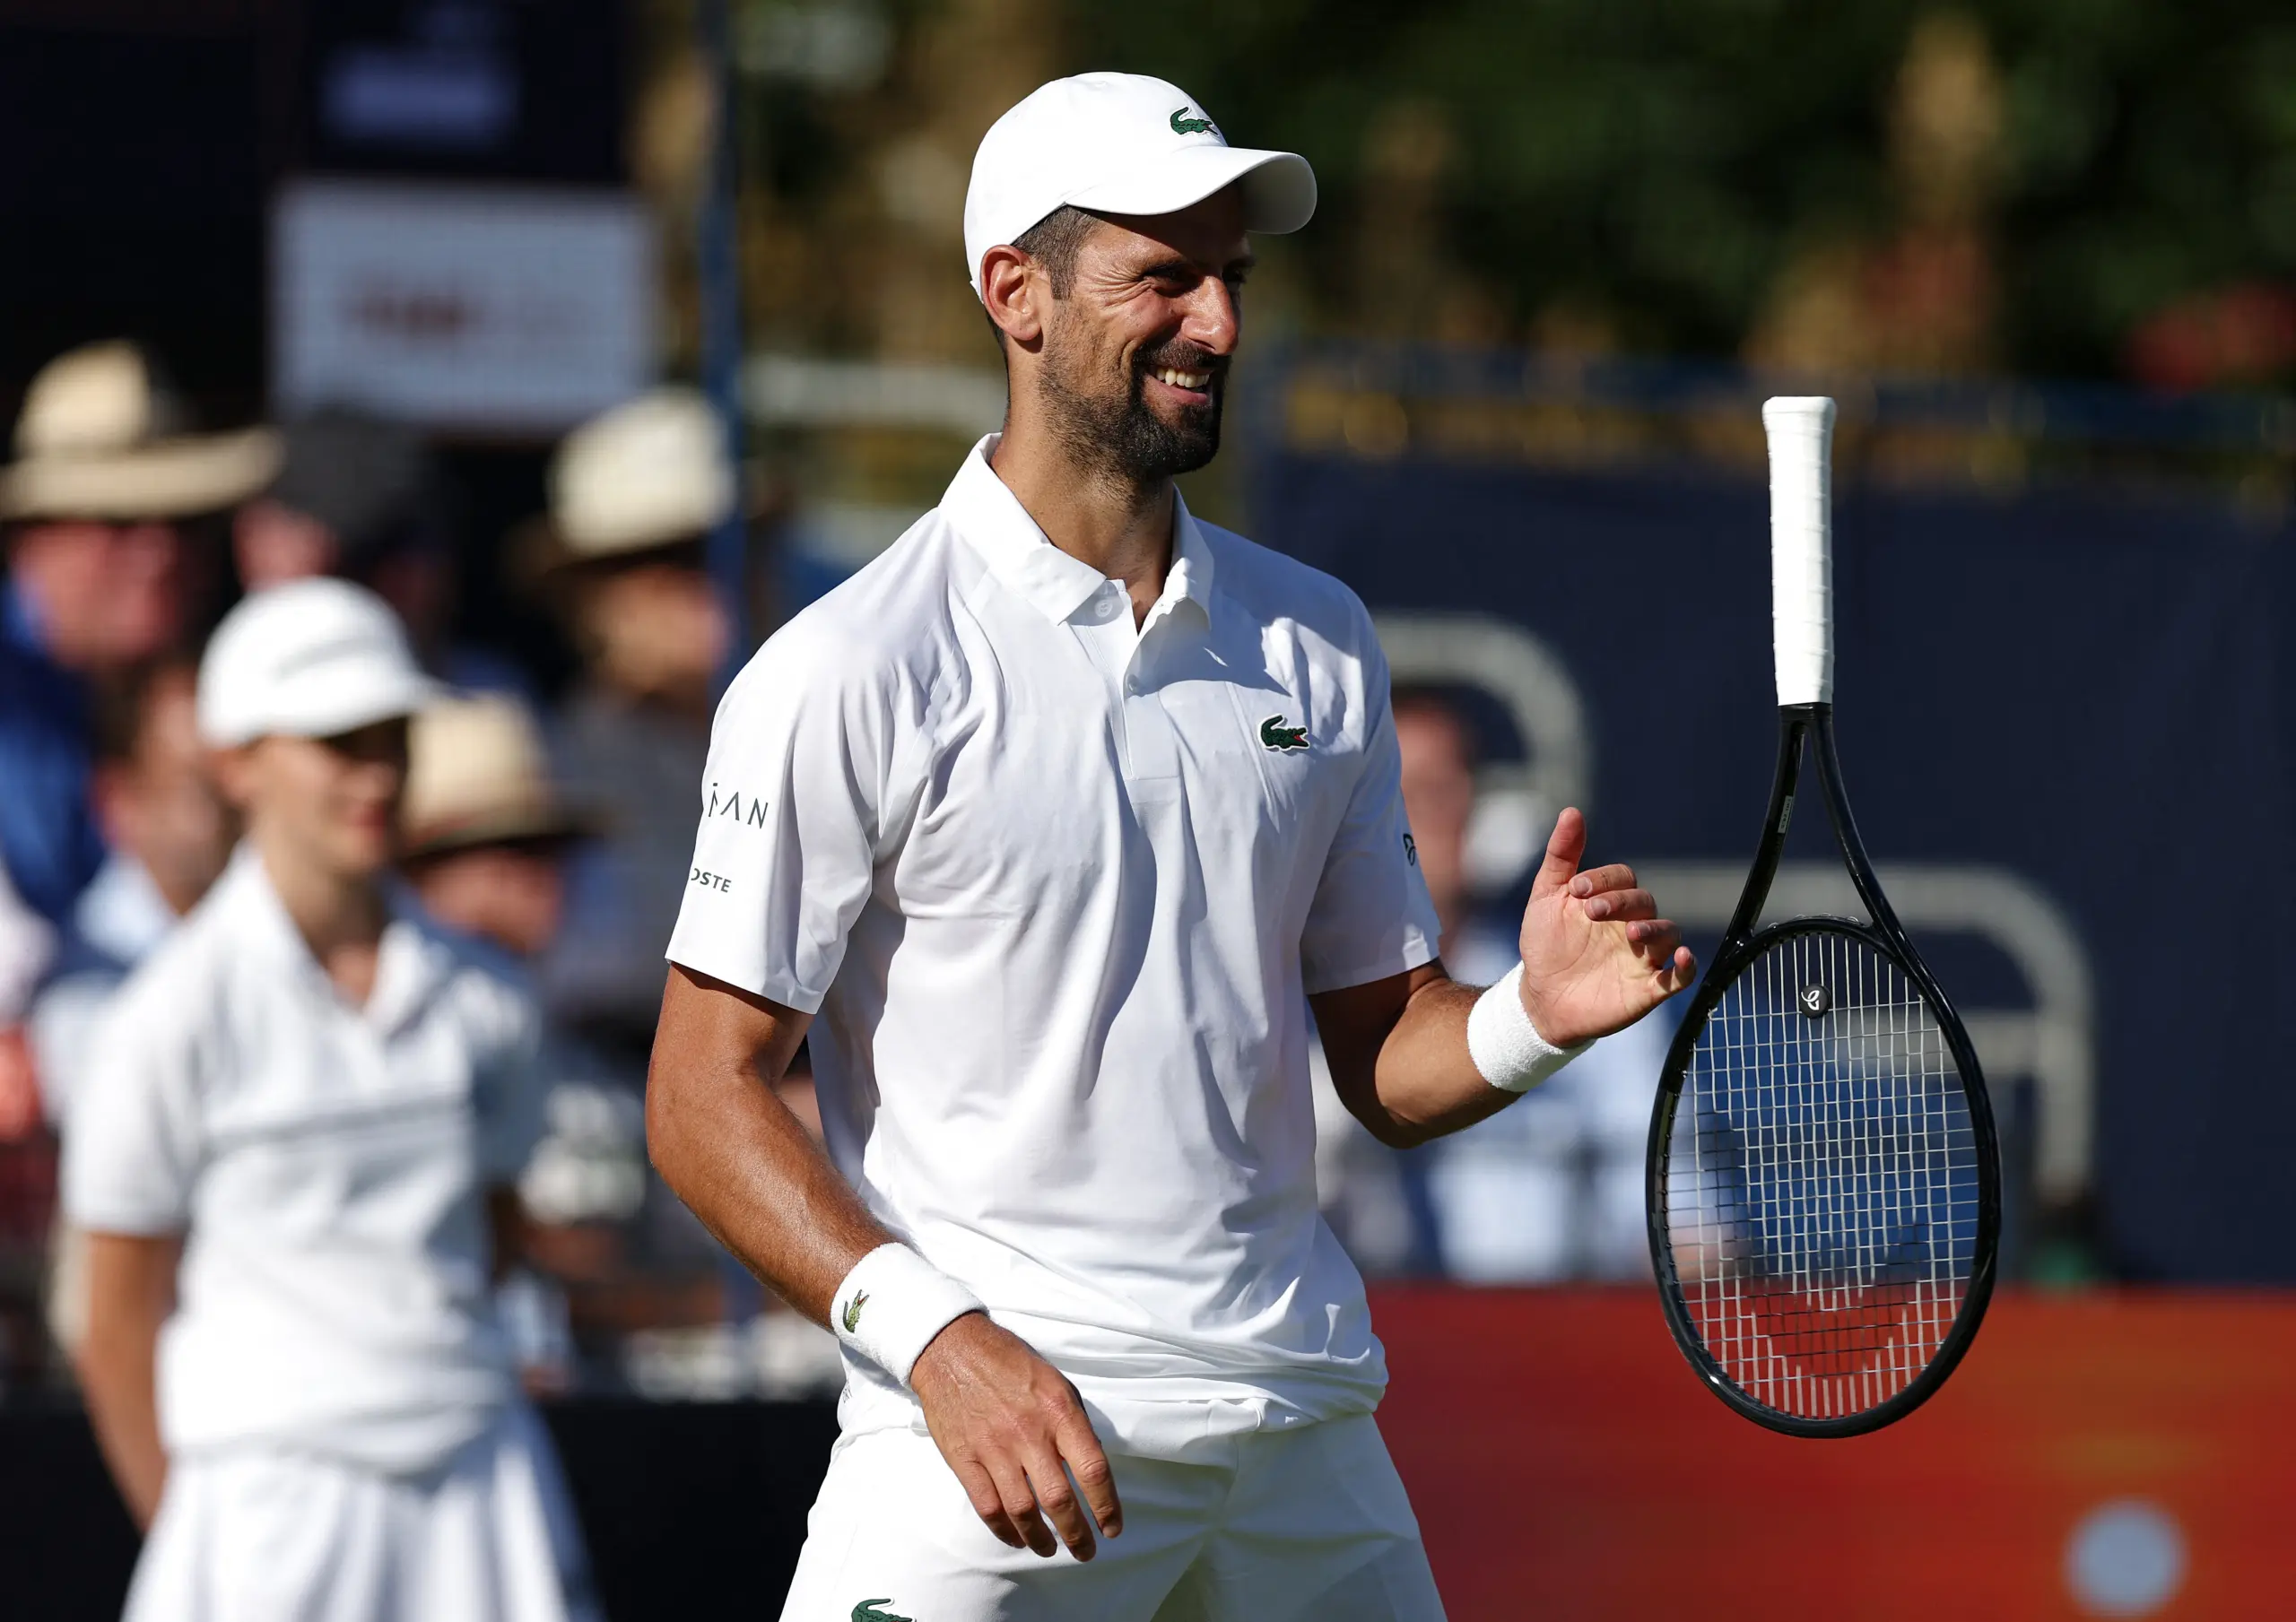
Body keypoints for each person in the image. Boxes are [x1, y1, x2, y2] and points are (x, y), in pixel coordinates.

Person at [647, 73, 1695, 1618]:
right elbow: (696, 1092)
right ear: (1015, 291)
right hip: (998, 1442)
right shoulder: (846, 666)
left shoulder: (1320, 641)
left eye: (1233, 282)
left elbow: (1385, 1061)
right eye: (1165, 276)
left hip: (1300, 1427)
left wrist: (1531, 1015)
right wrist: (939, 1340)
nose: (1216, 322)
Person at [63, 579, 596, 1622]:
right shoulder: (167, 1018)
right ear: (237, 764)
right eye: (334, 738)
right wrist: (201, 1533)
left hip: (478, 1485)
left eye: (390, 734)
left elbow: (494, 1237)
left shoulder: (488, 1000)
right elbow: (112, 1320)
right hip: (267, 1508)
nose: (376, 772)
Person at [1392, 690, 1677, 1281]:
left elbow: (1686, 1234)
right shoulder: (1276, 999)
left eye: (1435, 790)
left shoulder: (1596, 989)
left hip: (1552, 1355)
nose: (1410, 820)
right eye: (1385, 795)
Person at [0, 340, 275, 929]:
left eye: (187, 522)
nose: (160, 553)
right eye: (117, 520)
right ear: (29, 540)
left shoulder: (228, 687)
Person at [525, 389, 735, 1060]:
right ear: (598, 595)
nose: (709, 581)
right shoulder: (563, 764)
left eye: (720, 547)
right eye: (670, 558)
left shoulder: (803, 720)